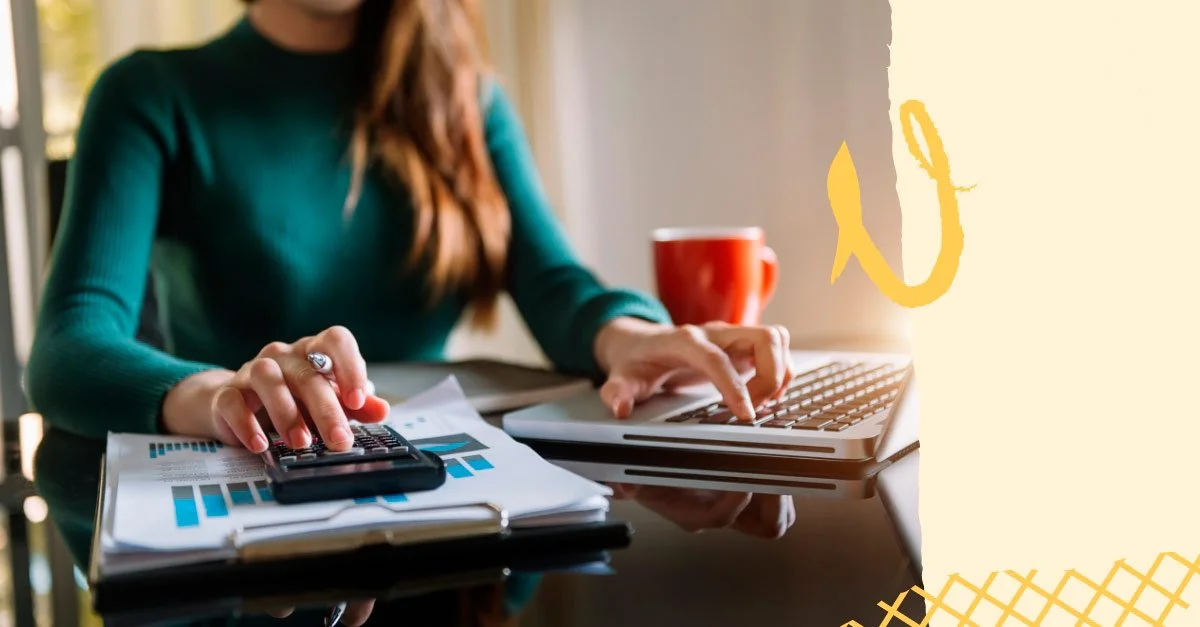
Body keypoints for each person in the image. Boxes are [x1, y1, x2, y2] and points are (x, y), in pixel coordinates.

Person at [26, 0, 794, 453]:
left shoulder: (464, 98)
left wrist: (628, 337)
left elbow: (553, 282)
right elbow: (69, 347)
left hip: (450, 491)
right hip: (253, 479)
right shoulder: (149, 96)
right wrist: (219, 394)